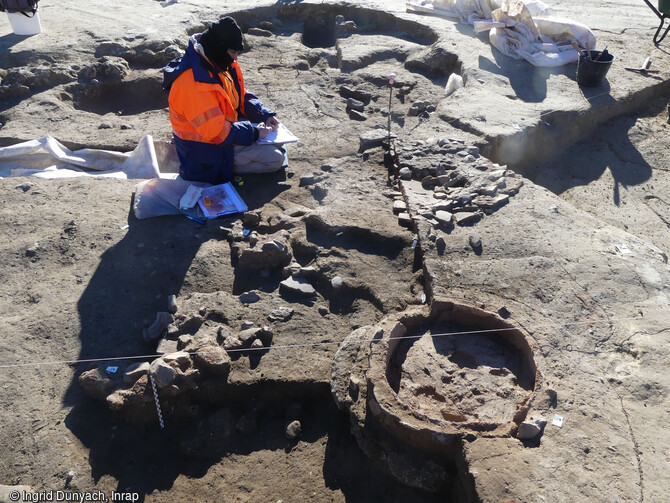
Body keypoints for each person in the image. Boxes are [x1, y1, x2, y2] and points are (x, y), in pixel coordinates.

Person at [163, 16, 285, 184]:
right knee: (275, 159)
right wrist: (255, 133)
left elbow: (239, 95)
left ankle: (243, 154)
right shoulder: (192, 82)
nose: (236, 58)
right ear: (218, 48)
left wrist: (263, 115)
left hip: (222, 132)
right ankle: (222, 171)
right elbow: (218, 133)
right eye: (233, 52)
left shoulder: (218, 61)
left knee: (277, 143)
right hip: (203, 150)